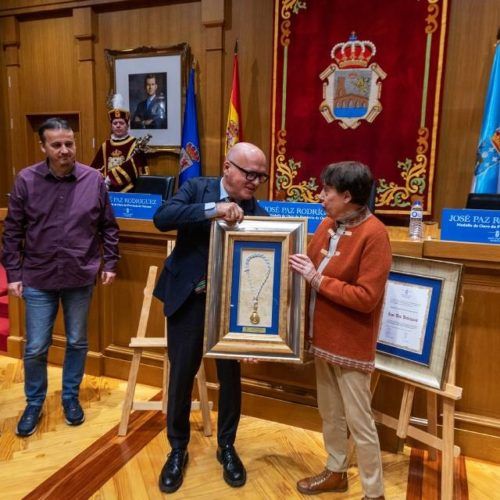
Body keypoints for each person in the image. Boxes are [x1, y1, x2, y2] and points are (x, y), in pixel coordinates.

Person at [153, 142, 269, 494]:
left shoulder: (259, 215)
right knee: (181, 376)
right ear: (227, 167)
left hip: (230, 310)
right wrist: (213, 210)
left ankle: (227, 447)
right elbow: (162, 218)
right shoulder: (197, 188)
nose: (255, 182)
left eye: (260, 176)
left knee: (231, 380)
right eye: (250, 174)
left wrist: (260, 332)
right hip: (190, 300)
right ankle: (177, 449)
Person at [2, 117, 119, 437]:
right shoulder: (27, 180)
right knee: (36, 345)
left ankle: (70, 398)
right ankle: (34, 403)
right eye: (57, 144)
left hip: (80, 275)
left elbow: (108, 226)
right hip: (39, 277)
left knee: (78, 341)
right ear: (43, 147)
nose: (65, 149)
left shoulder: (93, 180)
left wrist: (110, 263)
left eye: (69, 143)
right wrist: (13, 272)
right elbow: (12, 232)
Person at [289, 161, 391, 500]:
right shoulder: (328, 223)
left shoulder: (375, 234)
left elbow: (366, 298)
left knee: (360, 423)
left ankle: (374, 493)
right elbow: (303, 262)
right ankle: (336, 471)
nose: (321, 197)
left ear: (347, 196)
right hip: (322, 340)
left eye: (327, 192)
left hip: (350, 344)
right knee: (330, 413)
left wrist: (317, 279)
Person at [90, 105, 149, 192]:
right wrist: (103, 181)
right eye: (115, 123)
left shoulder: (136, 144)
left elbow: (135, 167)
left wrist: (111, 177)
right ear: (111, 126)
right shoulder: (105, 145)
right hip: (107, 191)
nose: (118, 126)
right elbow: (95, 169)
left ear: (127, 126)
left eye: (121, 123)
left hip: (129, 191)